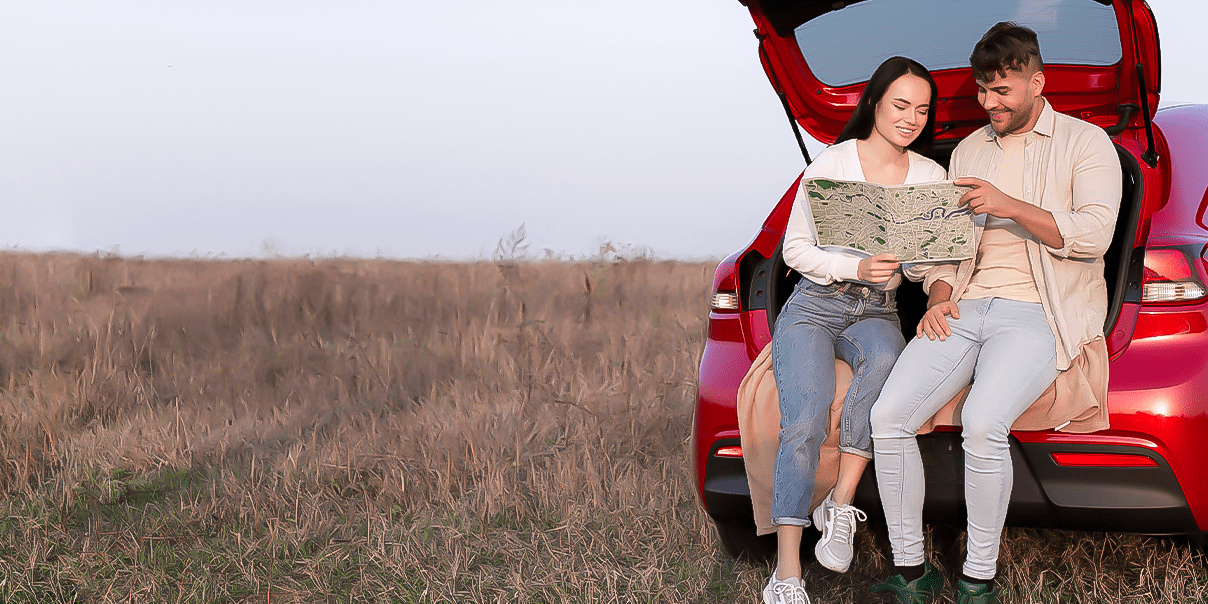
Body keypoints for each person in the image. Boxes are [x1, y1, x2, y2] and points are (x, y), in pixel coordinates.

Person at [868, 23, 1121, 604]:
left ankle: (977, 578)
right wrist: (936, 293)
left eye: (1002, 90)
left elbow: (1095, 235)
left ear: (1037, 81)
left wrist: (1009, 205)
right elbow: (948, 250)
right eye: (983, 90)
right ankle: (911, 572)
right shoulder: (969, 150)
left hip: (1038, 310)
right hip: (967, 306)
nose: (989, 104)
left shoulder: (1086, 143)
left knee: (984, 422)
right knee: (889, 416)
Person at [763, 56, 946, 604]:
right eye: (900, 105)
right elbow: (794, 251)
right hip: (815, 304)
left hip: (877, 311)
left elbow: (923, 267)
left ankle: (839, 504)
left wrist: (917, 267)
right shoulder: (832, 165)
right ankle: (787, 573)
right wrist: (855, 266)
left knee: (887, 364)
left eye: (922, 109)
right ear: (874, 103)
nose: (911, 118)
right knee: (806, 415)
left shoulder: (929, 177)